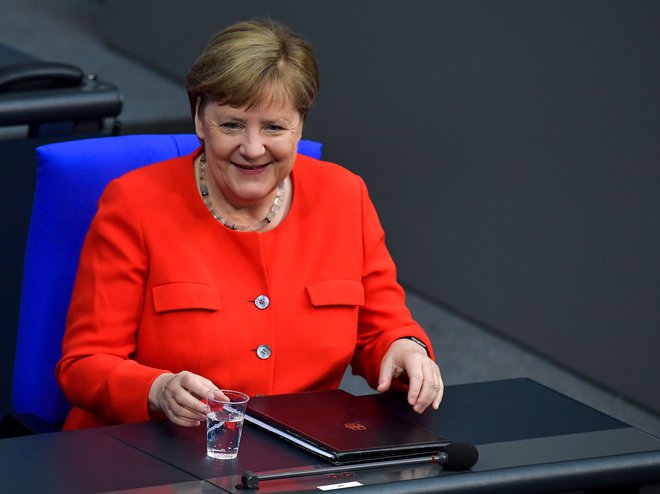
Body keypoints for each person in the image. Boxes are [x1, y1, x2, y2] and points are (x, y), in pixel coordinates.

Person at [55, 18, 443, 430]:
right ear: (200, 120)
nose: (253, 148)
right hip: (154, 452)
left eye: (274, 127)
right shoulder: (134, 203)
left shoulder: (346, 196)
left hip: (297, 455)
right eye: (232, 125)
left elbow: (381, 329)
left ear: (300, 127)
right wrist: (157, 389)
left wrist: (405, 349)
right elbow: (83, 366)